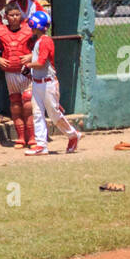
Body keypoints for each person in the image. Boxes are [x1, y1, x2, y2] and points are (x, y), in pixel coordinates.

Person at [20, 10, 80, 155]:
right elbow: (39, 57)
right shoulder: (39, 41)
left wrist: (29, 65)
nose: (31, 27)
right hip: (37, 83)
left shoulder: (46, 40)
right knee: (38, 113)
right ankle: (41, 145)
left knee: (54, 115)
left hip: (48, 84)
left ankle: (73, 135)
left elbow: (41, 62)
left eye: (33, 25)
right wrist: (30, 59)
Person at [0, 3, 36, 149]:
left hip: (26, 72)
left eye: (17, 14)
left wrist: (30, 56)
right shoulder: (1, 31)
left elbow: (40, 48)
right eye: (11, 15)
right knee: (16, 106)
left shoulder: (29, 30)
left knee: (28, 105)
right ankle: (20, 138)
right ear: (6, 17)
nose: (15, 18)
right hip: (10, 73)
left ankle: (32, 138)